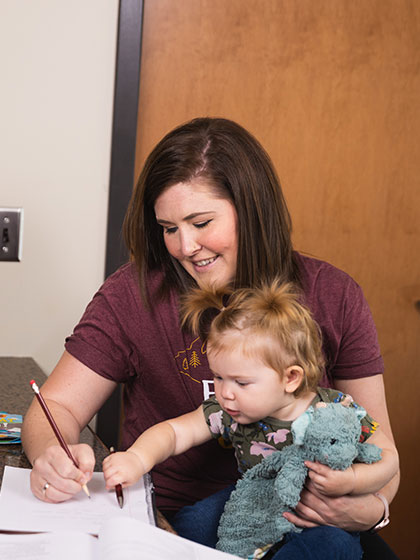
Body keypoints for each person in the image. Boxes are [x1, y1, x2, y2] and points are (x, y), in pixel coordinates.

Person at [21, 117, 400, 558]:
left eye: (201, 222)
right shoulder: (134, 295)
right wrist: (52, 453)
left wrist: (372, 510)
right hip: (182, 521)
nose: (184, 247)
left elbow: (382, 451)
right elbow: (56, 408)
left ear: (251, 209)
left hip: (315, 520)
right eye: (168, 228)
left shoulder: (336, 295)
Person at [102, 280, 399, 560]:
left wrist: (352, 480)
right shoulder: (229, 410)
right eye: (218, 377)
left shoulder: (335, 408)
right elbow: (176, 432)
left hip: (319, 517)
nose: (225, 392)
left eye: (241, 383)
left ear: (290, 378)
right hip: (255, 502)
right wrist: (138, 459)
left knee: (331, 547)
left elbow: (387, 457)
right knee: (193, 522)